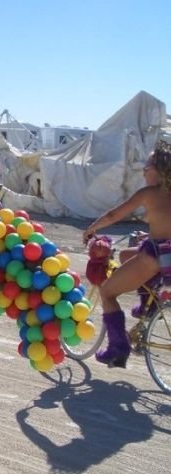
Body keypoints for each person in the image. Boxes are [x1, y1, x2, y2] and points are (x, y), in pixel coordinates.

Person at [82, 140, 171, 368]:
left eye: (147, 167)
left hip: (156, 255)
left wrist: (92, 228)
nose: (143, 171)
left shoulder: (149, 193)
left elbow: (114, 216)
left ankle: (118, 348)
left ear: (160, 170)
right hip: (166, 254)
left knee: (107, 291)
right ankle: (147, 306)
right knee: (125, 256)